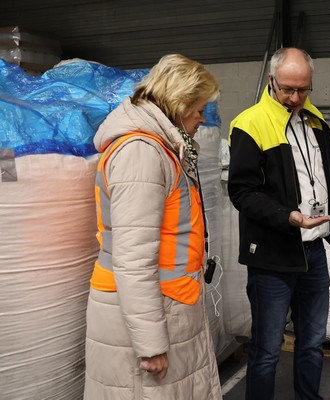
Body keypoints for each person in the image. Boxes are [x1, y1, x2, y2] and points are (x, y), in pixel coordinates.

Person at [227, 47, 330, 400]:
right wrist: (288, 217)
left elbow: (319, 176)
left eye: (303, 90)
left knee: (313, 342)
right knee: (267, 350)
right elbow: (243, 192)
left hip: (314, 253)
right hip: (272, 257)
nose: (294, 98)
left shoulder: (314, 119)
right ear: (271, 80)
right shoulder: (250, 124)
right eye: (287, 89)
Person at [84, 54, 222, 400]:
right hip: (150, 315)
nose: (202, 119)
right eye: (199, 109)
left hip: (168, 304)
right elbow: (133, 257)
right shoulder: (140, 154)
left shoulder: (160, 148)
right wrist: (150, 344)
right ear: (179, 103)